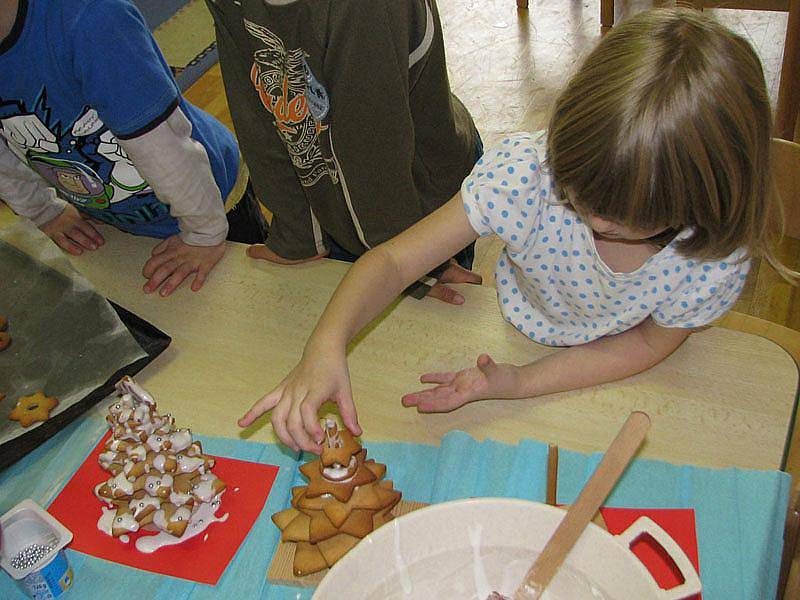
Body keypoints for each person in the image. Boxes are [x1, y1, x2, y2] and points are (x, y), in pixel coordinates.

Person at [238, 7, 799, 452]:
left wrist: (521, 384)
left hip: (601, 379)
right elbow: (390, 262)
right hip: (506, 324)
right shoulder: (528, 175)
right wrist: (325, 345)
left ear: (705, 200)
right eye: (578, 193)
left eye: (623, 217)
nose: (594, 220)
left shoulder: (712, 259)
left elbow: (647, 344)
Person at [204, 0, 483, 304]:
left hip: (416, 204)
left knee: (418, 333)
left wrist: (415, 267)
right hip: (336, 204)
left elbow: (374, 148)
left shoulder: (366, 9)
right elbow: (256, 111)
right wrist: (300, 232)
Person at [0, 0, 267, 297]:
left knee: (251, 296)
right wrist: (42, 210)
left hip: (208, 201)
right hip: (110, 208)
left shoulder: (92, 19)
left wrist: (204, 233)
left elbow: (163, 147)